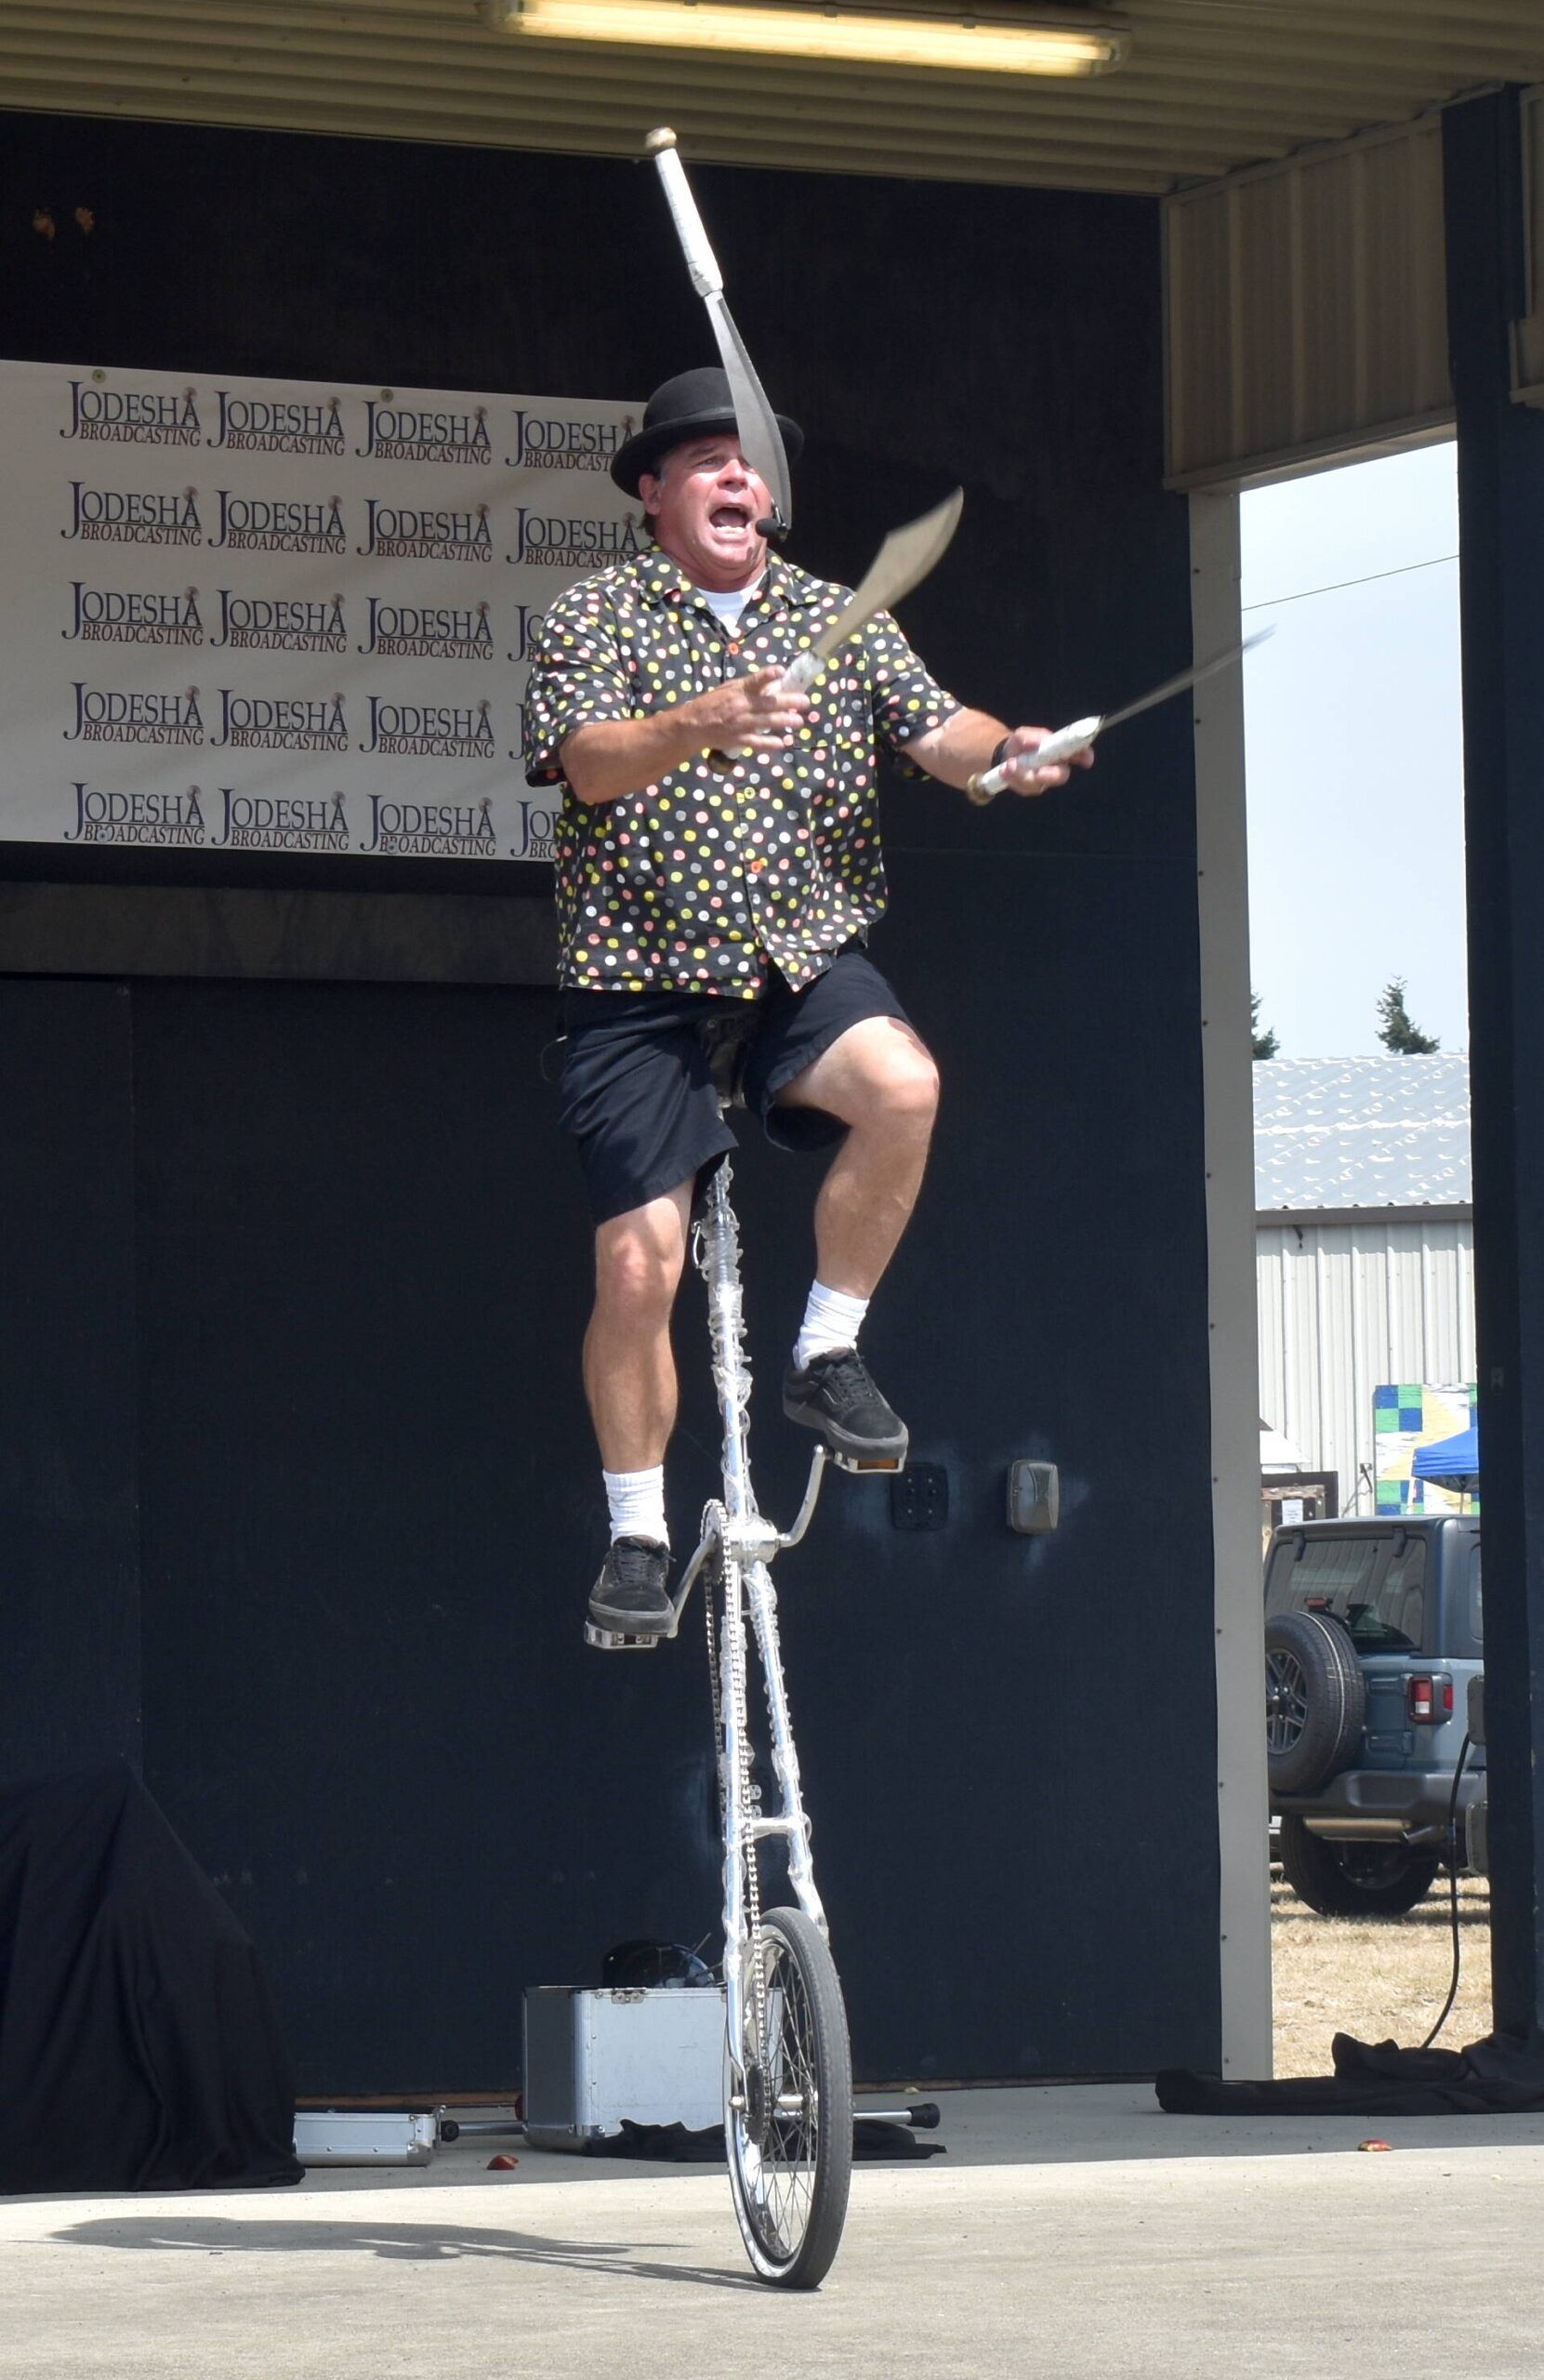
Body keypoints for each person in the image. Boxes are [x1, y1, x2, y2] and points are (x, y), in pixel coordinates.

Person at [523, 367, 1089, 1639]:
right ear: (654, 492)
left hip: (794, 954)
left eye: (748, 459)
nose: (732, 475)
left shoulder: (840, 619)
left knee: (903, 1083)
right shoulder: (594, 618)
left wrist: (1008, 756)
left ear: (769, 497)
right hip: (641, 981)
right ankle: (634, 1535)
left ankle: (824, 1352)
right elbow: (589, 765)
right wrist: (702, 721)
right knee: (637, 1261)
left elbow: (942, 732)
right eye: (704, 458)